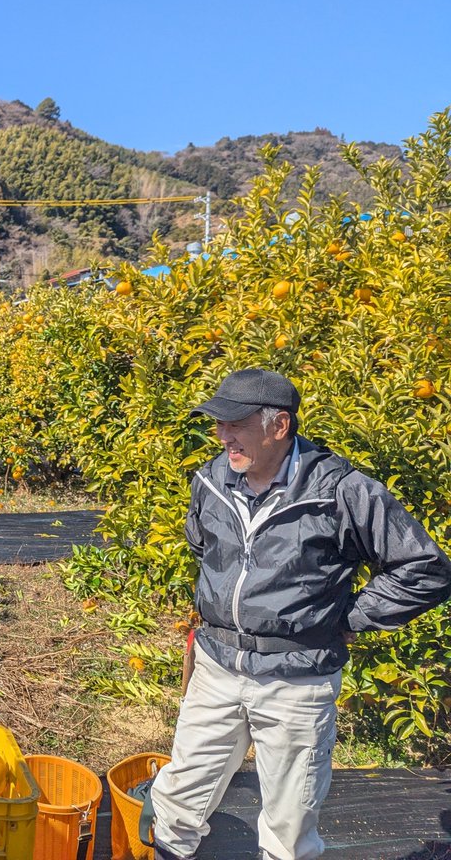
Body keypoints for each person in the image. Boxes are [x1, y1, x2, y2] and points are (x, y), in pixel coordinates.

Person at [150, 368, 451, 860]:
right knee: (177, 802)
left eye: (236, 424)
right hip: (217, 669)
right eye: (219, 425)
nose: (223, 435)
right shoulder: (210, 480)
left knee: (289, 830)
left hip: (296, 682)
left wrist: (346, 619)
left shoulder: (341, 491)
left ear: (279, 426)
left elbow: (424, 568)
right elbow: (205, 547)